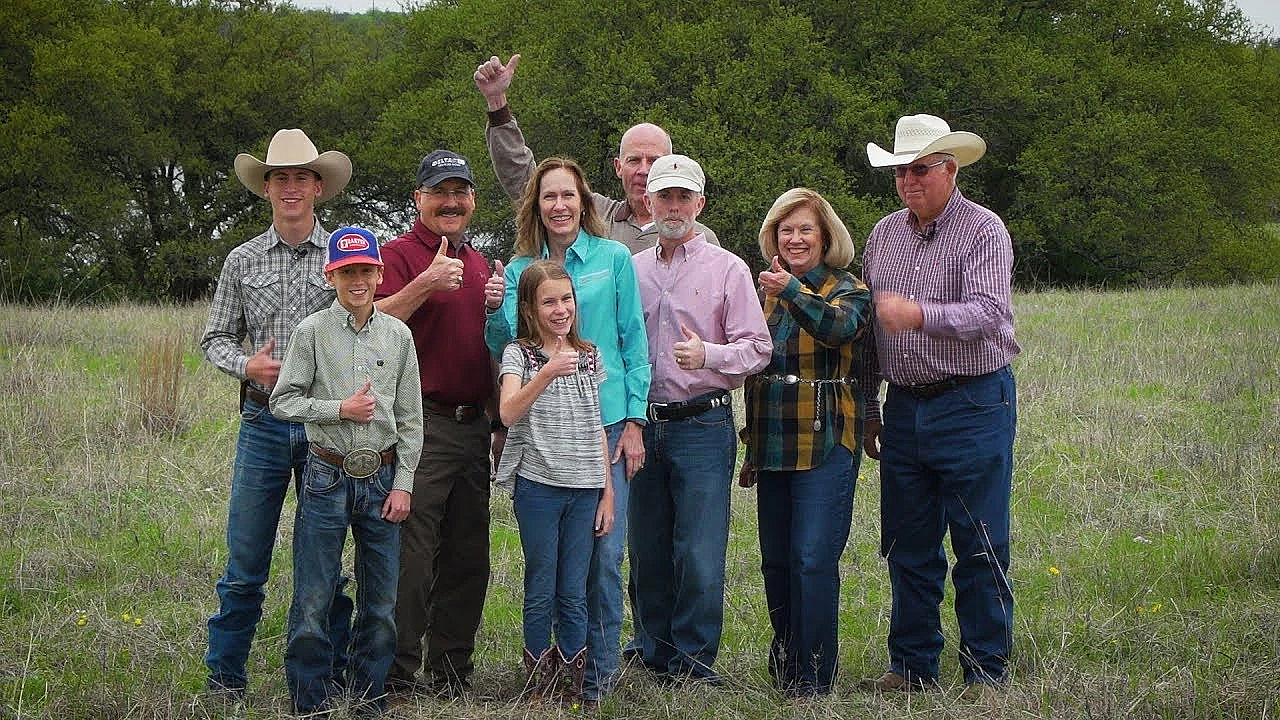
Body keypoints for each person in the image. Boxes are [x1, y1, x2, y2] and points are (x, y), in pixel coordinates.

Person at [857, 114, 1020, 695]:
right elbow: (873, 333)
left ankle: (986, 668)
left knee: (978, 539)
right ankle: (911, 666)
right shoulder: (884, 236)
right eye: (900, 171)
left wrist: (920, 314)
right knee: (908, 542)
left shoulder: (984, 231)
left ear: (950, 170)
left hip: (971, 401)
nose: (908, 181)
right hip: (903, 407)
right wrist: (872, 407)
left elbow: (988, 314)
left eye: (919, 170)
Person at [483, 157, 650, 704]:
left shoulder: (614, 258)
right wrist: (492, 310)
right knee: (550, 568)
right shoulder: (519, 270)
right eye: (549, 196)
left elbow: (633, 341)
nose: (559, 205)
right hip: (543, 437)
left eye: (569, 195)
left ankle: (595, 675)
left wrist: (633, 419)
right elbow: (507, 340)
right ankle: (546, 674)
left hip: (601, 427)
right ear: (536, 206)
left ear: (585, 202)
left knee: (603, 558)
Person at [201, 128, 354, 697]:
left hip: (324, 427)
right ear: (267, 188)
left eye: (301, 178)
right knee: (246, 556)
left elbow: (368, 322)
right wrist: (248, 367)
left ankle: (328, 672)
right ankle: (225, 676)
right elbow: (214, 337)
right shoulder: (241, 261)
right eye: (280, 178)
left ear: (318, 187)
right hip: (263, 423)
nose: (291, 189)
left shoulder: (345, 255)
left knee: (324, 558)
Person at [629, 154, 772, 682]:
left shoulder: (727, 268)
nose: (672, 206)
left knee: (700, 549)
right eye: (663, 196)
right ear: (648, 202)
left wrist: (709, 355)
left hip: (702, 424)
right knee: (646, 545)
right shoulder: (633, 269)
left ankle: (692, 658)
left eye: (683, 197)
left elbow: (757, 349)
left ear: (700, 204)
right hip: (642, 424)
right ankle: (652, 648)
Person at [270, 227, 423, 715]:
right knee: (314, 596)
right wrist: (340, 409)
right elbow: (284, 401)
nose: (358, 280)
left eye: (366, 270)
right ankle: (310, 698)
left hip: (380, 477)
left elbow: (411, 418)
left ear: (380, 273)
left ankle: (368, 696)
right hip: (326, 476)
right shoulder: (310, 332)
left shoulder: (398, 336)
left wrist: (403, 483)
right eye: (347, 271)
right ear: (330, 274)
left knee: (381, 602)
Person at [738, 188, 872, 696]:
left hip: (827, 438)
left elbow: (839, 329)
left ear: (825, 237)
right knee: (776, 558)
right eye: (785, 230)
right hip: (772, 441)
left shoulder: (848, 288)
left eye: (805, 230)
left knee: (813, 558)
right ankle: (787, 662)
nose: (794, 239)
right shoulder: (761, 292)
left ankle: (814, 676)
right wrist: (749, 445)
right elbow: (752, 367)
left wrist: (793, 290)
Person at [375, 150, 497, 697]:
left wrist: (497, 422)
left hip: (475, 425)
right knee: (413, 556)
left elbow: (493, 349)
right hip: (419, 424)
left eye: (461, 192)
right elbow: (366, 324)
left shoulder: (481, 264)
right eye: (440, 192)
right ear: (417, 199)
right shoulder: (396, 256)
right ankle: (396, 673)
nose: (451, 202)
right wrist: (424, 284)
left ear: (472, 199)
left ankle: (452, 672)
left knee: (468, 554)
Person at [494, 260, 615, 703]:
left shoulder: (590, 355)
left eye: (566, 299)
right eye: (549, 301)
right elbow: (507, 412)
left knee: (575, 587)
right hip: (539, 485)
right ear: (529, 307)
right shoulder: (519, 355)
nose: (561, 309)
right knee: (541, 581)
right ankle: (537, 683)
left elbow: (597, 424)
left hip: (585, 486)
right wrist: (546, 372)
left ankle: (573, 680)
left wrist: (608, 491)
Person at [473, 53, 719, 254]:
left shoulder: (700, 237)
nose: (643, 170)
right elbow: (527, 182)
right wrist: (497, 104)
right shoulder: (595, 214)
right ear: (618, 167)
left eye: (654, 161)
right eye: (633, 160)